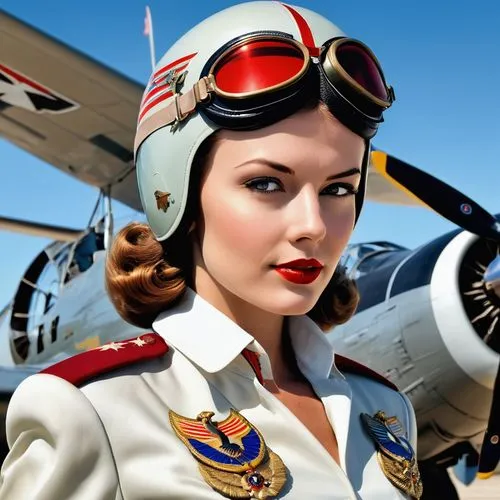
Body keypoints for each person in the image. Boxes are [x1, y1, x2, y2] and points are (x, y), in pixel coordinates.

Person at [0, 2, 422, 499]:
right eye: (266, 183)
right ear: (176, 193)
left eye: (337, 190)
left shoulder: (386, 407)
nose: (312, 227)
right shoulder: (89, 411)